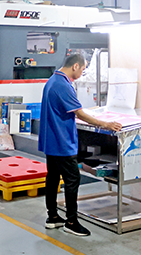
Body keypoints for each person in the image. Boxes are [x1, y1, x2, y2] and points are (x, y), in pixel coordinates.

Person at [39, 53, 122, 237]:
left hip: (51, 140)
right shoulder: (62, 85)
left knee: (53, 178)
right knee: (72, 179)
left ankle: (52, 216)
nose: (82, 73)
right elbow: (80, 113)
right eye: (83, 69)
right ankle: (71, 222)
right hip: (62, 142)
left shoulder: (53, 80)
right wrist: (105, 124)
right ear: (75, 66)